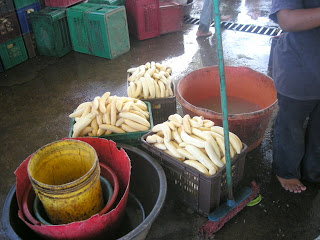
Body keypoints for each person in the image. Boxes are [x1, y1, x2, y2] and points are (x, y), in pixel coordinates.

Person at [269, 0, 320, 193]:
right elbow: (287, 20)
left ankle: (313, 169)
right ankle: (286, 170)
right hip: (301, 68)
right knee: (291, 125)